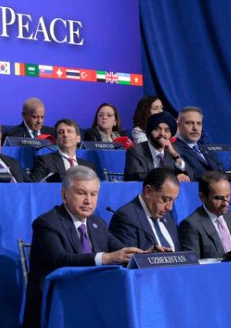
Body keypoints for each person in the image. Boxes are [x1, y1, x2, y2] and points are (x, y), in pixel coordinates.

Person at [23, 166, 142, 328]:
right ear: (64, 195)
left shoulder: (97, 223)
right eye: (81, 193)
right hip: (56, 304)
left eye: (93, 194)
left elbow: (120, 251)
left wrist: (144, 256)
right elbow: (59, 259)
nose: (88, 200)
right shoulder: (47, 223)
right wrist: (105, 258)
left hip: (92, 299)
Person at [178, 171, 231, 259]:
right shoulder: (191, 225)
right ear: (202, 197)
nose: (226, 203)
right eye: (218, 198)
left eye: (228, 196)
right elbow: (193, 264)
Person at [108, 167, 182, 250]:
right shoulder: (126, 218)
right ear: (148, 191)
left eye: (173, 200)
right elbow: (129, 259)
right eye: (165, 200)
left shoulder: (167, 216)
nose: (170, 207)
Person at [123, 111, 190, 182]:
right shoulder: (135, 151)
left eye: (167, 130)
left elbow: (189, 176)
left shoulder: (174, 151)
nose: (162, 133)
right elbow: (137, 176)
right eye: (157, 129)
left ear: (171, 134)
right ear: (150, 131)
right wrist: (172, 179)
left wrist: (175, 155)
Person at [30, 119, 96, 182]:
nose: (65, 135)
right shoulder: (44, 162)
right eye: (61, 132)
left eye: (69, 131)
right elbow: (32, 187)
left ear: (78, 138)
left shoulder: (88, 167)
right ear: (56, 140)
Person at [172, 106, 227, 181]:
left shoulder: (206, 150)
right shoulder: (173, 150)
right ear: (178, 125)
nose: (195, 128)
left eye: (199, 123)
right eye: (189, 123)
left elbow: (220, 171)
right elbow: (192, 177)